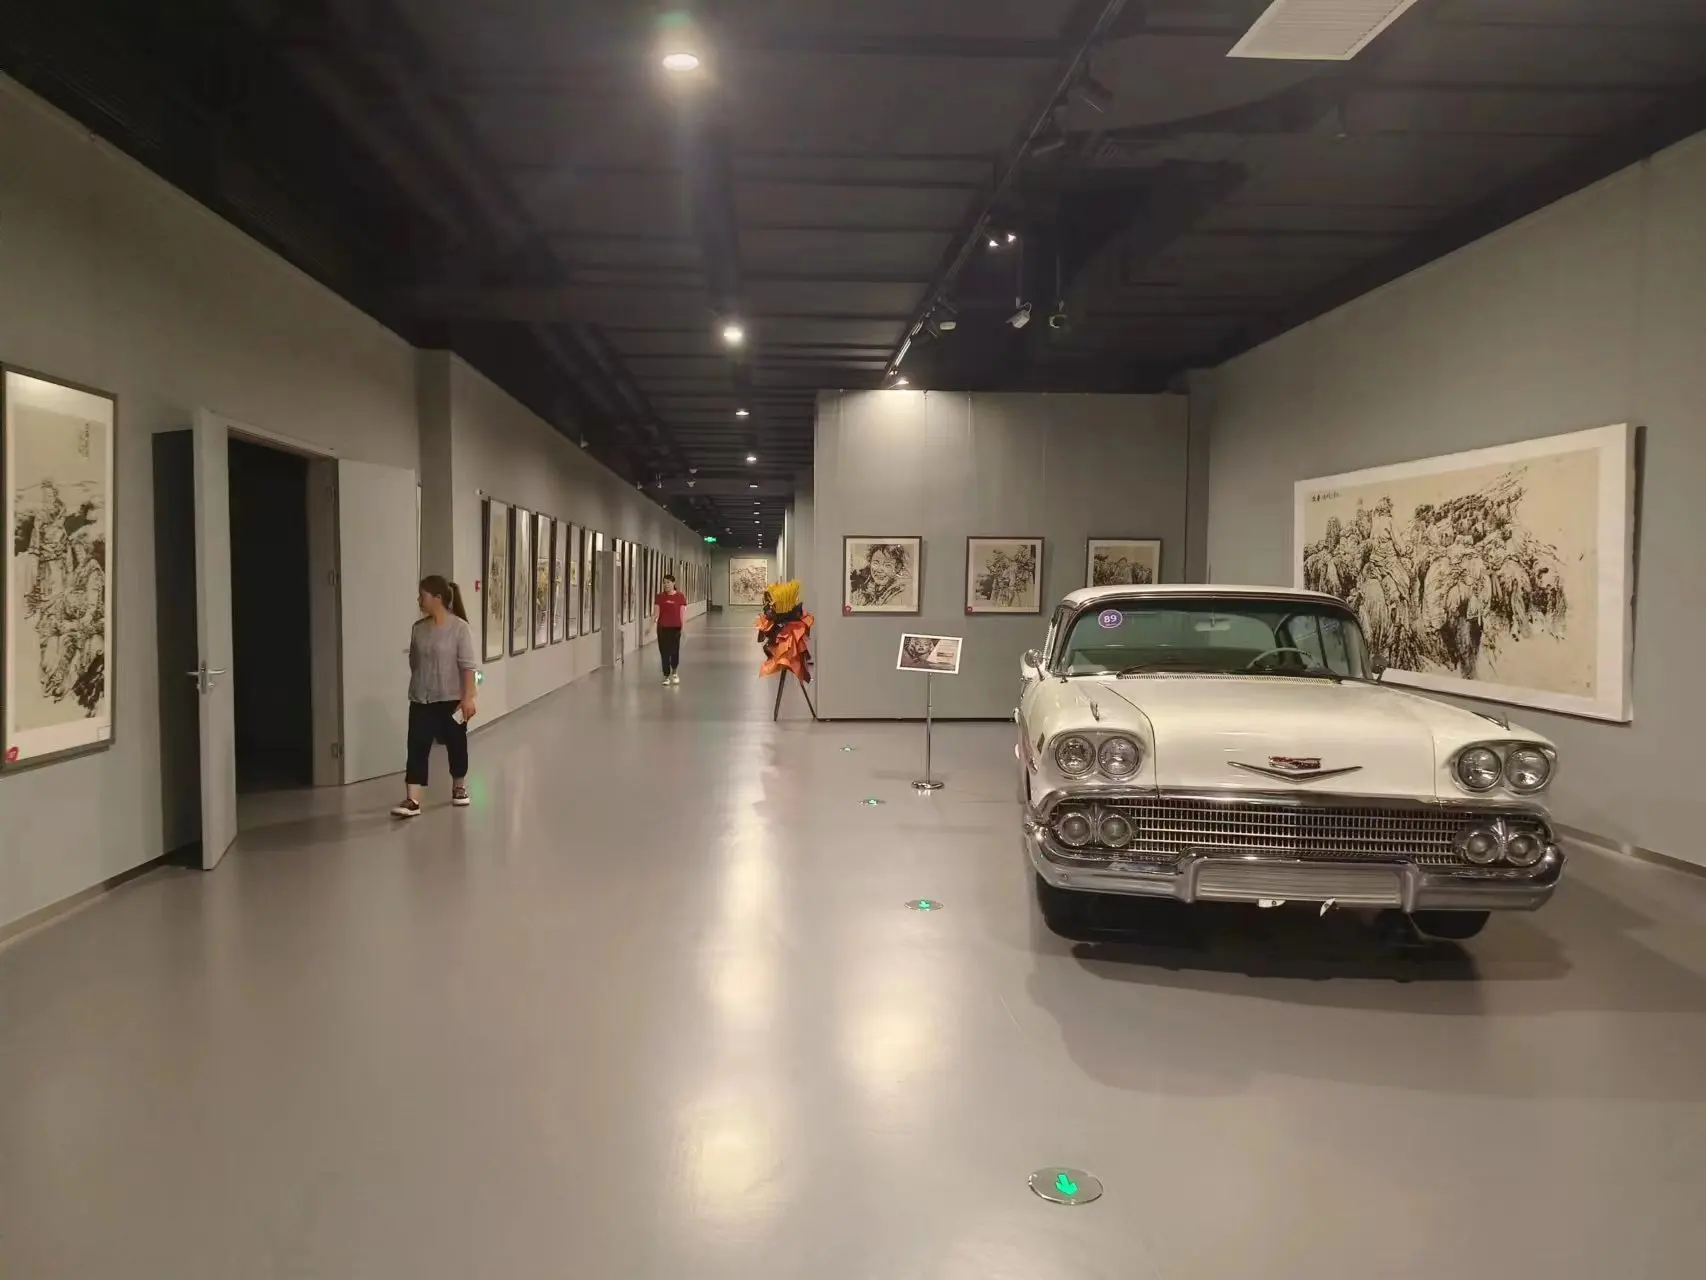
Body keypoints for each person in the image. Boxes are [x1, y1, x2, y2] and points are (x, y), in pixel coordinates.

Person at [392, 575, 477, 818]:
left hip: (451, 699)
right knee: (417, 745)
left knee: (456, 744)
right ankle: (413, 799)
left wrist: (468, 697)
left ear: (437, 598)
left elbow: (467, 667)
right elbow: (414, 662)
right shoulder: (418, 629)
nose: (419, 600)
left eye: (423, 595)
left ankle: (458, 786)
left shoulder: (460, 628)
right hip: (421, 698)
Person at [655, 572, 687, 685]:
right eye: (664, 583)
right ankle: (666, 675)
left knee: (674, 651)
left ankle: (674, 672)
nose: (666, 585)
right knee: (664, 652)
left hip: (675, 628)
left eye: (668, 582)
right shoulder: (660, 597)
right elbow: (656, 614)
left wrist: (683, 628)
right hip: (662, 628)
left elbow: (682, 614)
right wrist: (651, 626)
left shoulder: (680, 596)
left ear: (673, 583)